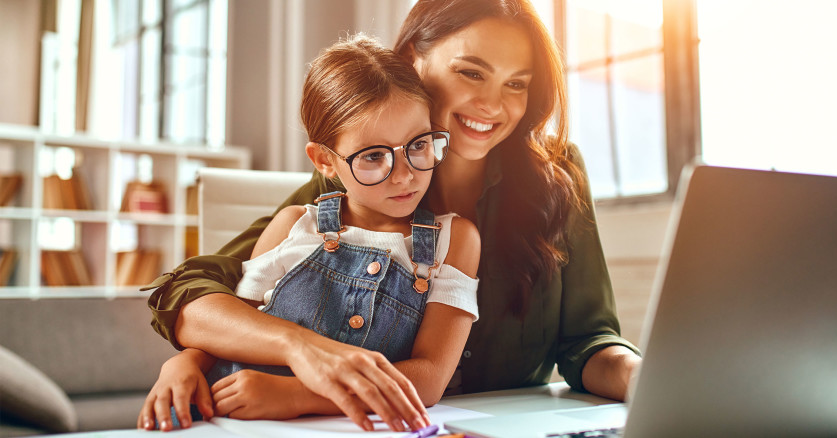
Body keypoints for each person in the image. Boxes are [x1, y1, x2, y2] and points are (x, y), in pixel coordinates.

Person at [140, 0, 641, 432]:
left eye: (517, 84)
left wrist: (644, 377)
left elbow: (589, 342)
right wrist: (294, 350)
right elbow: (201, 287)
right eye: (471, 72)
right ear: (411, 60)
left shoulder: (558, 174)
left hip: (508, 425)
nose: (493, 105)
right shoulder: (352, 182)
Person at [139, 35, 481, 432]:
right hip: (233, 421)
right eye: (373, 156)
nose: (405, 175)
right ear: (324, 161)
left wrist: (297, 397)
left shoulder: (454, 242)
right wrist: (183, 362)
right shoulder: (293, 225)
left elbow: (430, 377)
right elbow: (235, 326)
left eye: (418, 145)